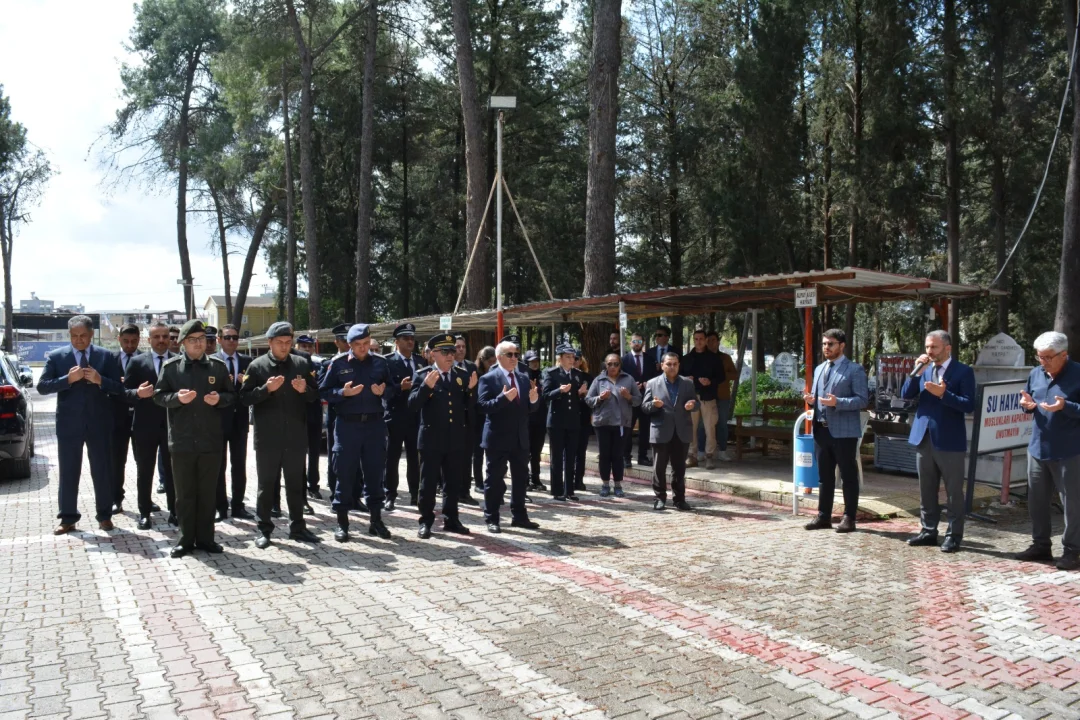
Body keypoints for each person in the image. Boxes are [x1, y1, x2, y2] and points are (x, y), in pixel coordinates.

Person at [154, 320, 236, 557]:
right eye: (193, 340)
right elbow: (159, 397)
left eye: (202, 339)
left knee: (208, 493)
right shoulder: (171, 368)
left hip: (210, 442)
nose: (199, 344)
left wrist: (219, 399)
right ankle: (185, 539)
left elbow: (231, 396)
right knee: (185, 495)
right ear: (182, 343)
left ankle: (207, 539)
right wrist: (176, 398)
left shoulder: (218, 367)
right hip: (182, 442)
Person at [38, 315, 124, 533]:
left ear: (91, 334)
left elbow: (120, 389)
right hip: (69, 425)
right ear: (69, 335)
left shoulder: (106, 357)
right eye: (74, 336)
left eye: (83, 336)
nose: (79, 340)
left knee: (102, 470)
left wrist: (100, 380)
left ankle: (104, 515)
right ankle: (67, 518)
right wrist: (67, 380)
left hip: (99, 424)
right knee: (69, 471)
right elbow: (42, 387)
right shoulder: (57, 357)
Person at [241, 322, 323, 549]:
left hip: (295, 437)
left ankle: (298, 527)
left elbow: (314, 395)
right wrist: (265, 389)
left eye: (288, 343)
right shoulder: (257, 366)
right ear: (270, 343)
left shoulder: (301, 363)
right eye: (280, 343)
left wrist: (303, 390)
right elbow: (244, 398)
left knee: (296, 484)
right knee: (266, 486)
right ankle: (264, 529)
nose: (284, 347)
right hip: (268, 438)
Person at [902, 330, 976, 553]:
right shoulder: (924, 369)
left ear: (947, 348)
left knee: (954, 491)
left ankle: (954, 536)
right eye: (926, 347)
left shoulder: (963, 372)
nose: (929, 352)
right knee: (926, 489)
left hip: (949, 440)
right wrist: (915, 373)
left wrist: (944, 394)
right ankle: (928, 531)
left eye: (933, 347)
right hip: (923, 438)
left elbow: (969, 405)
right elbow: (906, 394)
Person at [319, 323, 394, 541]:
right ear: (350, 345)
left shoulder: (380, 363)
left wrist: (384, 391)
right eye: (358, 345)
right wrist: (343, 392)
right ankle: (342, 524)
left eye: (366, 344)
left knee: (374, 473)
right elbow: (324, 391)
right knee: (344, 472)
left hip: (374, 425)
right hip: (347, 426)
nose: (363, 349)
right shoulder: (339, 363)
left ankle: (376, 521)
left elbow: (392, 389)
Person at [1016, 331, 1080, 570]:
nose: (1042, 362)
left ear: (1064, 354)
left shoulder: (1078, 374)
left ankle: (1073, 550)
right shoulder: (1036, 373)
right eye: (1039, 356)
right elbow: (1029, 401)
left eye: (1048, 357)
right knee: (1036, 501)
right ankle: (1041, 545)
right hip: (1038, 448)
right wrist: (1026, 406)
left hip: (1070, 450)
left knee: (1072, 504)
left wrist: (1067, 406)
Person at [409, 334, 477, 539]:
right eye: (445, 352)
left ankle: (451, 519)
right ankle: (426, 521)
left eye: (452, 352)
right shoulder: (423, 375)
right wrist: (425, 388)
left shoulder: (462, 375)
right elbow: (412, 405)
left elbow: (470, 408)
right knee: (428, 483)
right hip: (431, 438)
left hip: (455, 437)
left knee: (453, 483)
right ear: (433, 355)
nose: (450, 356)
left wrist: (472, 391)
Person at [802, 329, 869, 533]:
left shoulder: (854, 370)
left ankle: (849, 517)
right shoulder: (820, 368)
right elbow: (818, 396)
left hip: (844, 432)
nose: (826, 348)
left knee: (848, 475)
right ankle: (823, 516)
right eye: (824, 344)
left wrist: (837, 402)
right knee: (824, 476)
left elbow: (862, 400)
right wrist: (811, 400)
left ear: (842, 345)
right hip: (821, 430)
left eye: (830, 344)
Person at [477, 340, 541, 533]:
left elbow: (529, 409)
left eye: (516, 354)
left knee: (521, 478)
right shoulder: (489, 379)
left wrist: (534, 400)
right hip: (497, 438)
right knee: (494, 480)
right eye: (510, 354)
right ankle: (492, 518)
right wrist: (502, 399)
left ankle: (519, 516)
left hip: (520, 438)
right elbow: (482, 406)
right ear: (499, 357)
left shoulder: (523, 377)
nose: (514, 358)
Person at [123, 322, 176, 529]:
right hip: (145, 427)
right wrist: (137, 393)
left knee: (172, 472)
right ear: (149, 340)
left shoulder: (178, 361)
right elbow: (124, 394)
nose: (162, 340)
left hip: (172, 427)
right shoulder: (137, 363)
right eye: (157, 337)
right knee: (145, 471)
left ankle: (175, 511)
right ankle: (144, 513)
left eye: (165, 336)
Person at [641, 353, 697, 512]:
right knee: (659, 467)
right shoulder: (652, 383)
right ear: (662, 365)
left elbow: (696, 403)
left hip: (682, 431)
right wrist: (654, 405)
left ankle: (679, 499)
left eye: (675, 364)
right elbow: (644, 407)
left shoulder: (687, 383)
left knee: (679, 468)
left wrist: (692, 405)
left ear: (679, 365)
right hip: (661, 430)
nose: (672, 367)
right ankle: (659, 498)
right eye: (669, 364)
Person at [587, 354, 642, 498]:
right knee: (604, 455)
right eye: (610, 364)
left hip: (622, 423)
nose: (613, 367)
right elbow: (588, 400)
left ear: (620, 365)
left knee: (618, 455)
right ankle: (605, 484)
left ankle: (618, 484)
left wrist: (628, 396)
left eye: (616, 364)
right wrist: (600, 398)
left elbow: (638, 400)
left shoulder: (628, 379)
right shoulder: (599, 380)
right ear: (605, 365)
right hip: (603, 423)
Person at [384, 322, 426, 509]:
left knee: (414, 458)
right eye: (405, 338)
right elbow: (383, 390)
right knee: (391, 458)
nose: (410, 341)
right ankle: (390, 494)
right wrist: (399, 387)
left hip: (415, 417)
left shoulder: (420, 362)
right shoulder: (388, 361)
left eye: (412, 338)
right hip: (395, 416)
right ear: (396, 341)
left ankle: (415, 494)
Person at [214, 323, 253, 520]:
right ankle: (220, 506)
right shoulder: (212, 361)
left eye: (235, 337)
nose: (232, 341)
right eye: (228, 337)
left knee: (239, 465)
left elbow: (255, 389)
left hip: (239, 420)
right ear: (219, 339)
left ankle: (238, 505)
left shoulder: (247, 361)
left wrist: (245, 382)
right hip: (218, 421)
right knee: (218, 465)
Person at [544, 344, 586, 500]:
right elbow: (546, 395)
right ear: (560, 358)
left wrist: (580, 394)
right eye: (567, 357)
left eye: (572, 357)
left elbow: (577, 399)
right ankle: (557, 490)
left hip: (573, 421)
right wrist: (559, 391)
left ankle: (569, 490)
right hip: (557, 421)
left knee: (571, 457)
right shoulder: (552, 373)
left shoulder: (577, 374)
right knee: (557, 458)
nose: (571, 360)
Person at [681, 329, 723, 468]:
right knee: (690, 427)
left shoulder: (714, 358)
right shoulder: (686, 358)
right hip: (691, 397)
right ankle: (692, 455)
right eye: (696, 339)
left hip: (708, 397)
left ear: (705, 340)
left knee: (709, 427)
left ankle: (709, 455)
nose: (698, 341)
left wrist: (710, 381)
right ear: (694, 340)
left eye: (701, 339)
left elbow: (721, 377)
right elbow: (678, 376)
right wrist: (686, 379)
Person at [111, 323, 142, 513]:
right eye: (126, 341)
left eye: (133, 341)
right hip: (117, 417)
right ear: (119, 340)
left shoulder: (145, 359)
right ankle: (116, 498)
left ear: (139, 340)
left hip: (141, 417)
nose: (129, 345)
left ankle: (144, 499)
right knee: (117, 460)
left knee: (143, 461)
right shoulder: (110, 359)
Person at [295, 334, 325, 505]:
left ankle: (313, 485)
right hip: (298, 414)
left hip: (314, 412)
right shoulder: (294, 364)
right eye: (303, 346)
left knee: (314, 451)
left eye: (309, 346)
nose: (306, 349)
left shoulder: (318, 364)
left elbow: (319, 386)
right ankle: (298, 484)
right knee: (299, 452)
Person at [323, 323, 351, 500]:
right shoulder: (331, 363)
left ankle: (355, 496)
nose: (347, 344)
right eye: (343, 340)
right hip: (337, 415)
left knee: (357, 458)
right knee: (336, 457)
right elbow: (323, 389)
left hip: (358, 417)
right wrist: (342, 393)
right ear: (336, 343)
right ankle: (336, 492)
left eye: (350, 340)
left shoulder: (364, 362)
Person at [454, 334, 482, 504]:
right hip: (453, 418)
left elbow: (476, 392)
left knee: (467, 457)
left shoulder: (471, 367)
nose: (461, 350)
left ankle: (465, 491)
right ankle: (452, 490)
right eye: (457, 347)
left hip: (469, 419)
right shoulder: (449, 366)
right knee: (453, 457)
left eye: (463, 346)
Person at [703, 331, 737, 462]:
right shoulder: (703, 357)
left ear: (718, 342)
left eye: (713, 340)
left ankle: (722, 450)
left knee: (722, 423)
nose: (711, 343)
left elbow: (734, 375)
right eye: (709, 340)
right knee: (704, 425)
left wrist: (720, 375)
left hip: (722, 396)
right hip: (706, 396)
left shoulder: (725, 358)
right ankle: (702, 451)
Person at [622, 332, 651, 468]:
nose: (637, 344)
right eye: (634, 341)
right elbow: (620, 378)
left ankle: (643, 456)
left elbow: (655, 376)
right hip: (630, 399)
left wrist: (647, 384)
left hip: (646, 398)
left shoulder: (649, 359)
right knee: (628, 428)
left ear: (643, 343)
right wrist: (632, 387)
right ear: (630, 343)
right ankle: (626, 457)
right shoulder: (624, 360)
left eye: (639, 342)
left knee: (645, 429)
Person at [472, 346, 498, 494]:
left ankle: (491, 480)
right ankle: (478, 481)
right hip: (478, 417)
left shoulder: (496, 373)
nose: (492, 364)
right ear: (483, 360)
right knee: (478, 452)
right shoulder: (476, 372)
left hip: (492, 416)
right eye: (490, 362)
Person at [525, 350, 548, 492]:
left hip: (540, 418)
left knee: (536, 451)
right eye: (532, 361)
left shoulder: (543, 376)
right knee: (525, 452)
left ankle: (536, 478)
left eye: (536, 361)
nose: (535, 364)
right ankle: (525, 479)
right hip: (527, 419)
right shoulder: (523, 377)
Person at [573, 351, 593, 492]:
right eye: (571, 358)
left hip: (583, 419)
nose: (573, 361)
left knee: (581, 452)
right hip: (567, 419)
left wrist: (586, 395)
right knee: (567, 452)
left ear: (581, 361)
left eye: (576, 359)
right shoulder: (563, 375)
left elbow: (593, 399)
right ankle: (567, 479)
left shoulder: (588, 377)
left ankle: (578, 479)